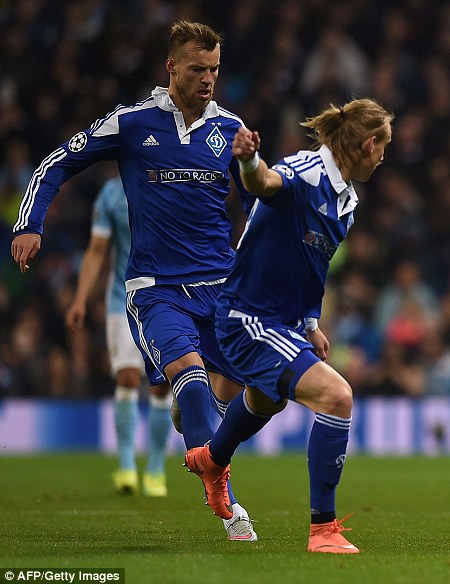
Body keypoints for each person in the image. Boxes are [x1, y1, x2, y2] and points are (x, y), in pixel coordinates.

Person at [11, 21, 257, 541]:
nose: (208, 79)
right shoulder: (131, 123)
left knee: (247, 390)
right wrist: (30, 223)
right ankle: (226, 500)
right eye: (197, 69)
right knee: (189, 374)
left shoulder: (231, 130)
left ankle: (202, 429)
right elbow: (57, 162)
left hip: (222, 287)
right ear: (172, 67)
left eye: (214, 69)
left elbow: (262, 205)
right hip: (157, 288)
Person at [183, 98, 393, 553]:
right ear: (370, 143)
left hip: (283, 320)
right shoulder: (306, 172)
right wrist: (248, 161)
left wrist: (311, 322)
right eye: (383, 148)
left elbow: (311, 266)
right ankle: (323, 530)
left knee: (267, 399)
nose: (382, 158)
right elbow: (265, 182)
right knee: (337, 396)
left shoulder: (346, 201)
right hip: (246, 318)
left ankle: (212, 459)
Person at [65, 175, 172, 497]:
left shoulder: (168, 181)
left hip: (167, 300)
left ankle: (155, 469)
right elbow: (97, 249)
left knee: (162, 384)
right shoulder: (111, 193)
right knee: (127, 376)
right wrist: (81, 299)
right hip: (122, 299)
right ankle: (126, 465)